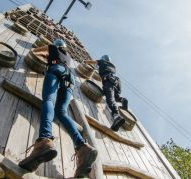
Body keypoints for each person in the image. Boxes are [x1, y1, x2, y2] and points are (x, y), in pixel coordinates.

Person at [19, 39, 98, 178]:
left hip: (55, 69)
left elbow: (35, 51)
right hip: (70, 79)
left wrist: (43, 55)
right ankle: (82, 146)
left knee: (49, 100)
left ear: (56, 45)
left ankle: (44, 139)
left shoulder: (52, 47)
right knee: (61, 112)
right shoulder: (67, 56)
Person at [84, 55, 127, 132]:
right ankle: (123, 99)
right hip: (116, 82)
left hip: (108, 81)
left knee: (110, 100)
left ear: (103, 59)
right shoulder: (112, 66)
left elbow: (94, 62)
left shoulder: (102, 62)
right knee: (115, 97)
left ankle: (116, 117)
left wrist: (85, 61)